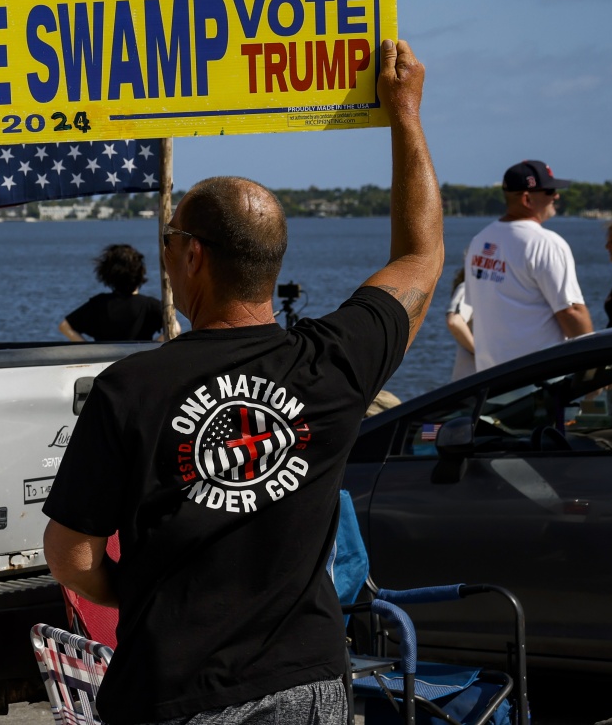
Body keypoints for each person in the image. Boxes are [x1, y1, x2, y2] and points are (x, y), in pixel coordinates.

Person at [41, 40, 443, 725]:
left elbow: (71, 554)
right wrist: (405, 115)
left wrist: (139, 589)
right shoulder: (333, 362)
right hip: (307, 684)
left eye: (170, 237)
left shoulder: (130, 388)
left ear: (192, 255)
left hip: (175, 687)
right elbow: (420, 256)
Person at [463, 159, 592, 370]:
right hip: (537, 381)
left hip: (490, 381)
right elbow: (571, 311)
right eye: (550, 191)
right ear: (527, 199)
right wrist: (596, 363)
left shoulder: (479, 241)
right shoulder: (546, 243)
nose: (556, 196)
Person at [61, 243, 166, 343]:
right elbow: (174, 329)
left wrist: (89, 351)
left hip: (106, 359)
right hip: (141, 359)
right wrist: (152, 349)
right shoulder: (150, 305)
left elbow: (65, 326)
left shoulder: (98, 304)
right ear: (140, 272)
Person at [444, 268, 476, 382]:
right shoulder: (470, 286)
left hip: (486, 381)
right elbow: (454, 321)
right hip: (472, 381)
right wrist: (480, 353)